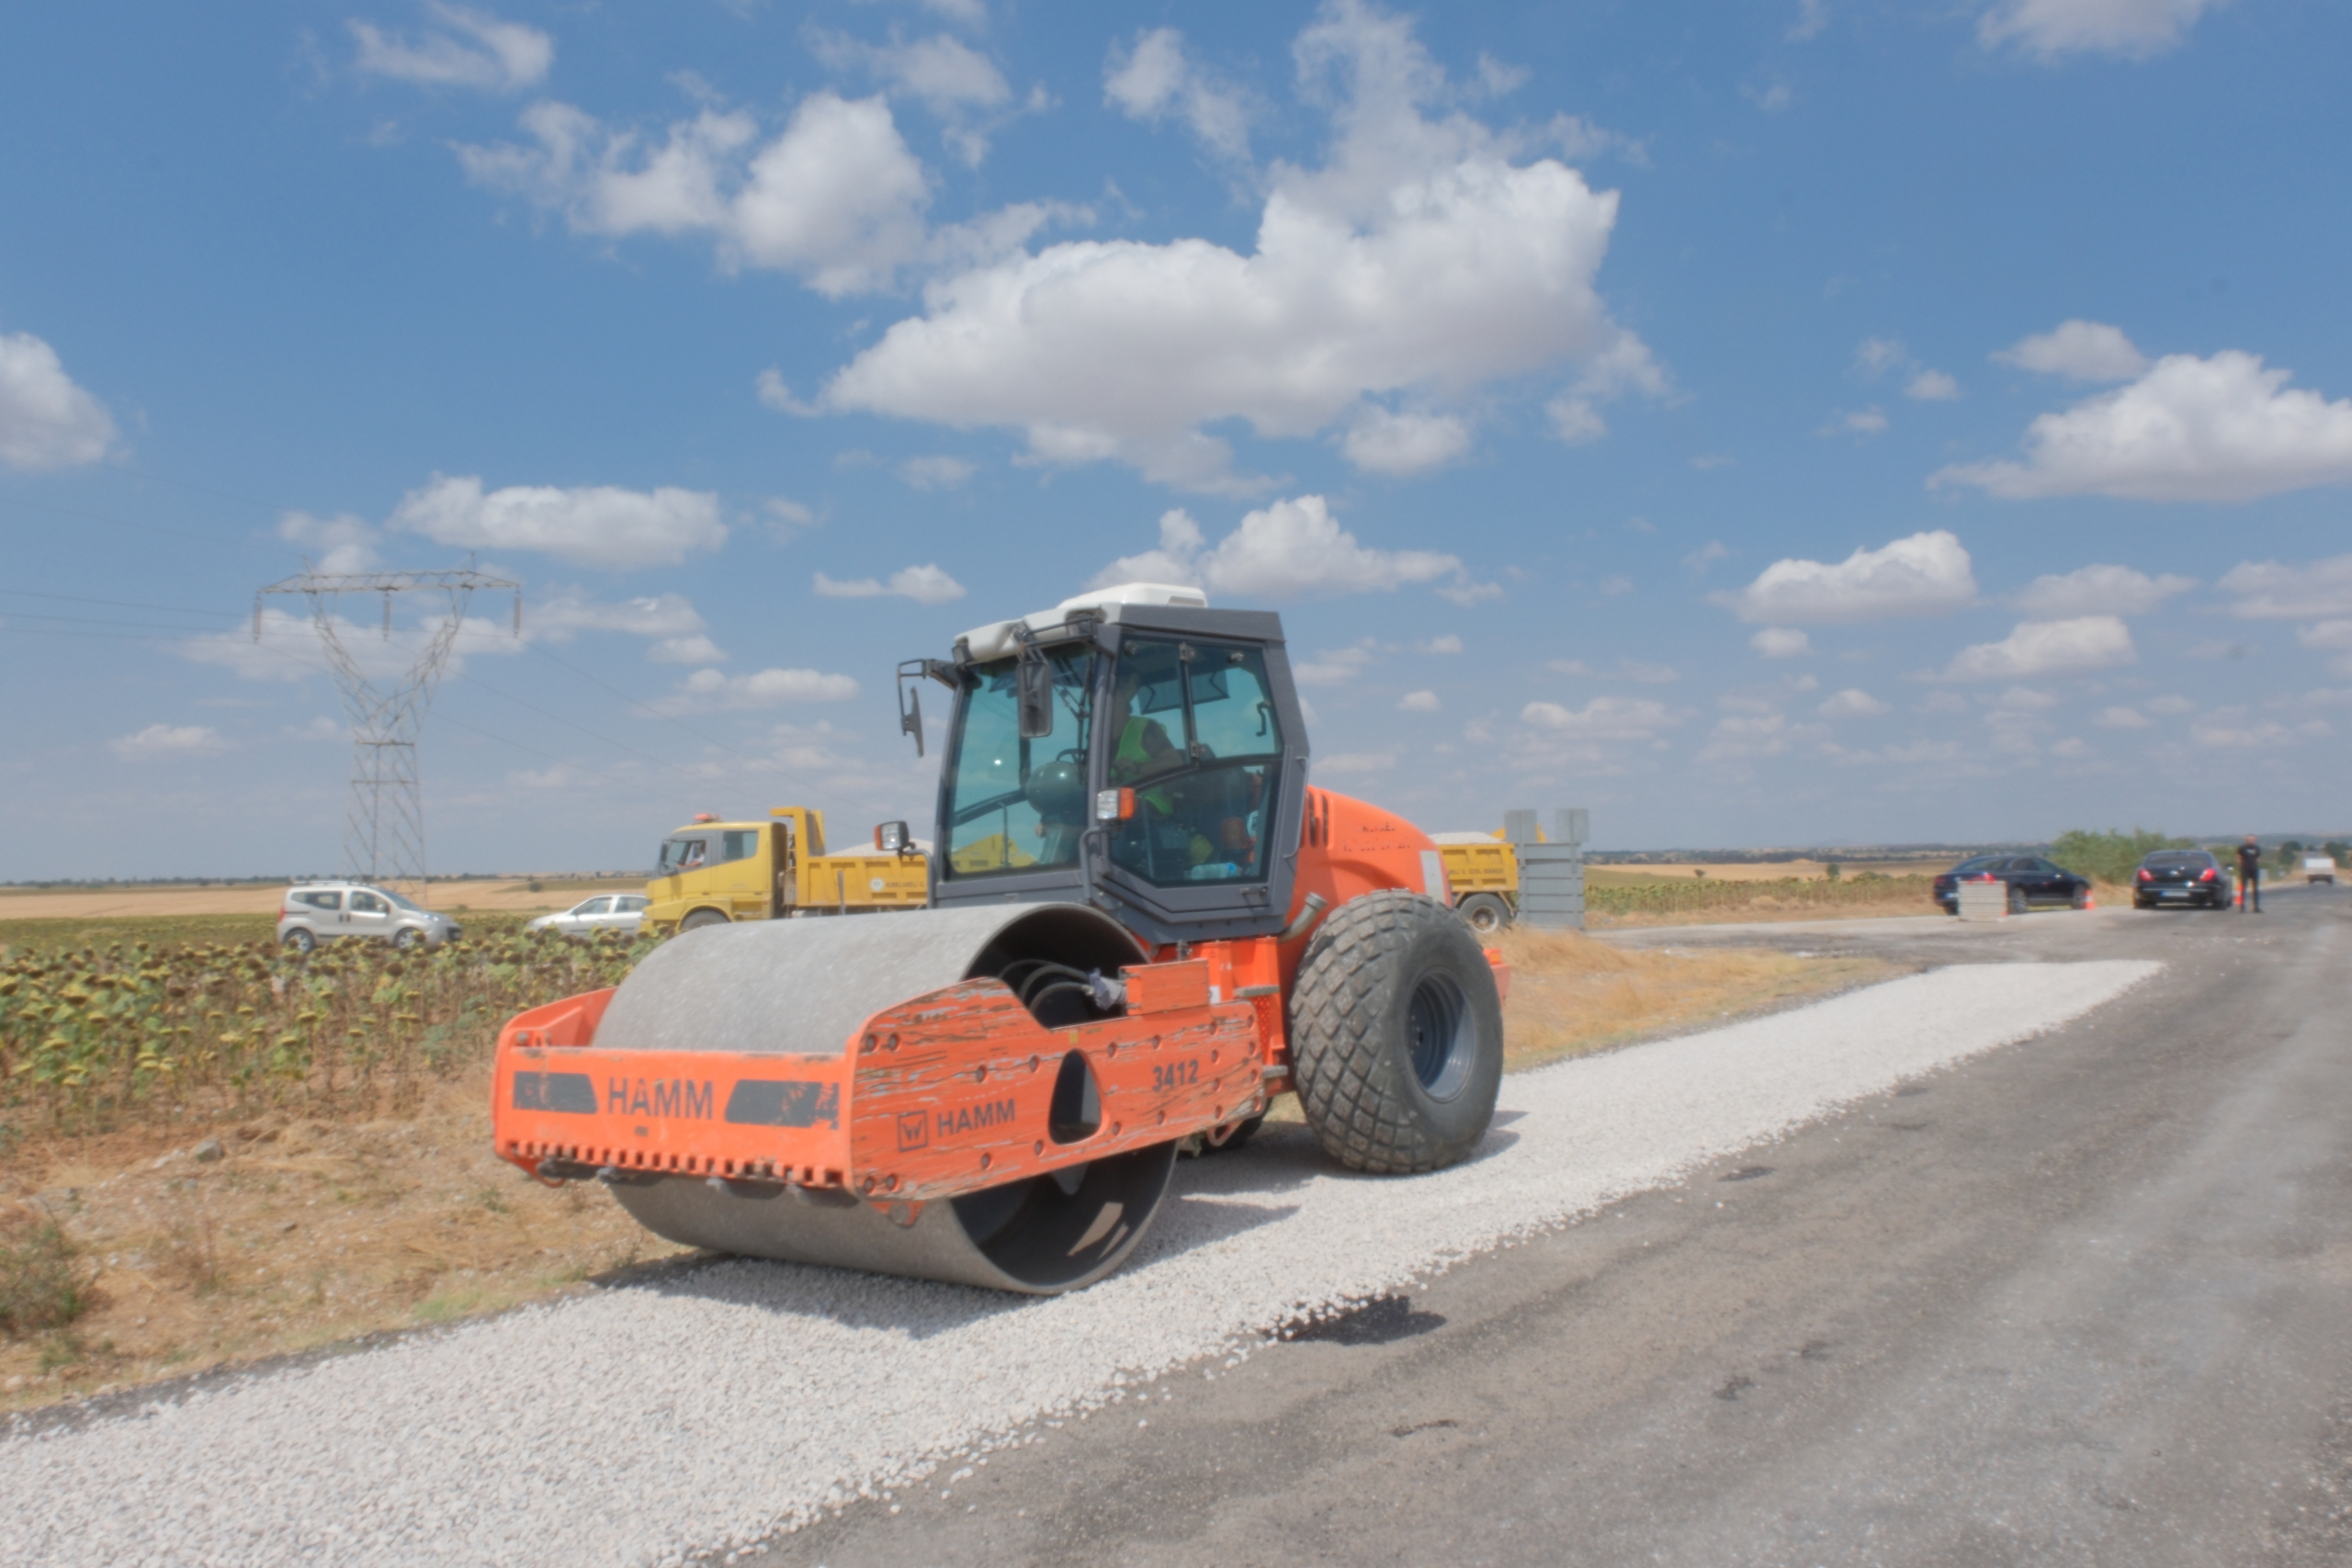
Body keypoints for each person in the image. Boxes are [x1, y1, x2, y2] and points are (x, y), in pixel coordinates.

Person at [2235, 834, 2262, 913]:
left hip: (2254, 870)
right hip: (2245, 870)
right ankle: (2242, 907)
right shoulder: (2242, 848)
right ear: (2247, 840)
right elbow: (2238, 857)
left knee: (2255, 889)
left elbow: (2258, 858)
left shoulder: (2257, 848)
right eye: (2250, 839)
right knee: (2243, 888)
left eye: (2252, 839)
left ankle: (2256, 907)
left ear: (2255, 840)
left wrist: (2255, 865)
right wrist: (2241, 866)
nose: (2251, 841)